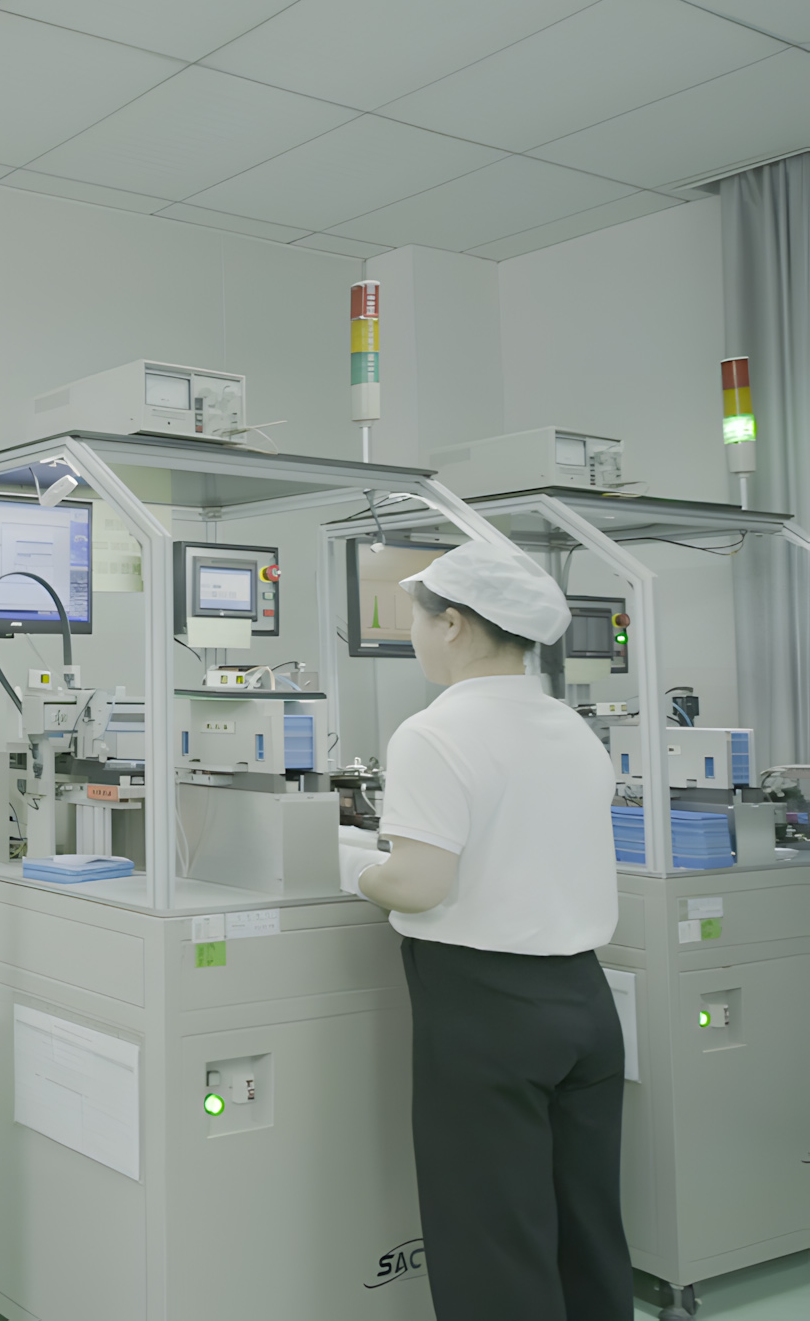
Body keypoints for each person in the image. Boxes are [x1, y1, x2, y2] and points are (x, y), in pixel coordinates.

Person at [353, 542, 627, 1319]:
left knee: (492, 1239)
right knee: (585, 1225)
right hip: (585, 1001)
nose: (414, 634)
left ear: (453, 624)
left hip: (487, 1013)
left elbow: (419, 884)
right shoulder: (570, 727)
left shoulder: (434, 731)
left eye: (418, 618)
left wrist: (360, 872)